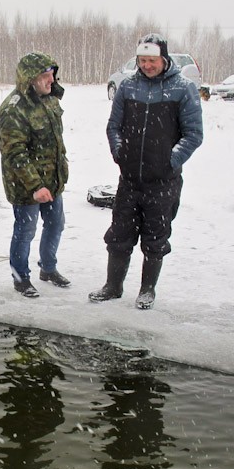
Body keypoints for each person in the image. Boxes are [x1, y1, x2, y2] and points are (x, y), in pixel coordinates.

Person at [90, 34, 203, 310]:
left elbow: (194, 135)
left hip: (163, 182)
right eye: (142, 60)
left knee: (155, 237)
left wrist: (171, 161)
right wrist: (120, 153)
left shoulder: (183, 89)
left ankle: (147, 289)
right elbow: (113, 127)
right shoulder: (128, 87)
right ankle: (113, 286)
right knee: (119, 235)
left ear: (164, 59)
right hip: (130, 180)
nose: (147, 65)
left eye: (152, 60)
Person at [0, 51, 70, 299]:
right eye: (45, 76)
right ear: (30, 79)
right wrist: (36, 186)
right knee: (25, 230)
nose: (51, 80)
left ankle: (48, 269)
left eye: (52, 75)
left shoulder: (49, 100)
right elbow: (15, 154)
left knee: (56, 223)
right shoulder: (13, 110)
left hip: (52, 181)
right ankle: (20, 277)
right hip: (26, 185)